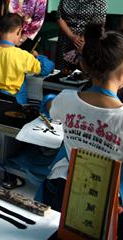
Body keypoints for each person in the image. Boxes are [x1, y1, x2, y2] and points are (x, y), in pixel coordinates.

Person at [40, 25, 123, 226]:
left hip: (64, 187)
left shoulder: (66, 99)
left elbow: (49, 107)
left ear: (84, 65)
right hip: (106, 200)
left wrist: (49, 100)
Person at [0, 13, 54, 104]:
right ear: (19, 31)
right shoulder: (23, 56)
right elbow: (46, 68)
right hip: (15, 103)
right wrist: (38, 56)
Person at [55, 0, 107, 70]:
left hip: (89, 41)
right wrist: (72, 36)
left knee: (86, 73)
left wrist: (82, 40)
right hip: (66, 40)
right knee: (63, 73)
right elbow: (59, 17)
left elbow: (98, 21)